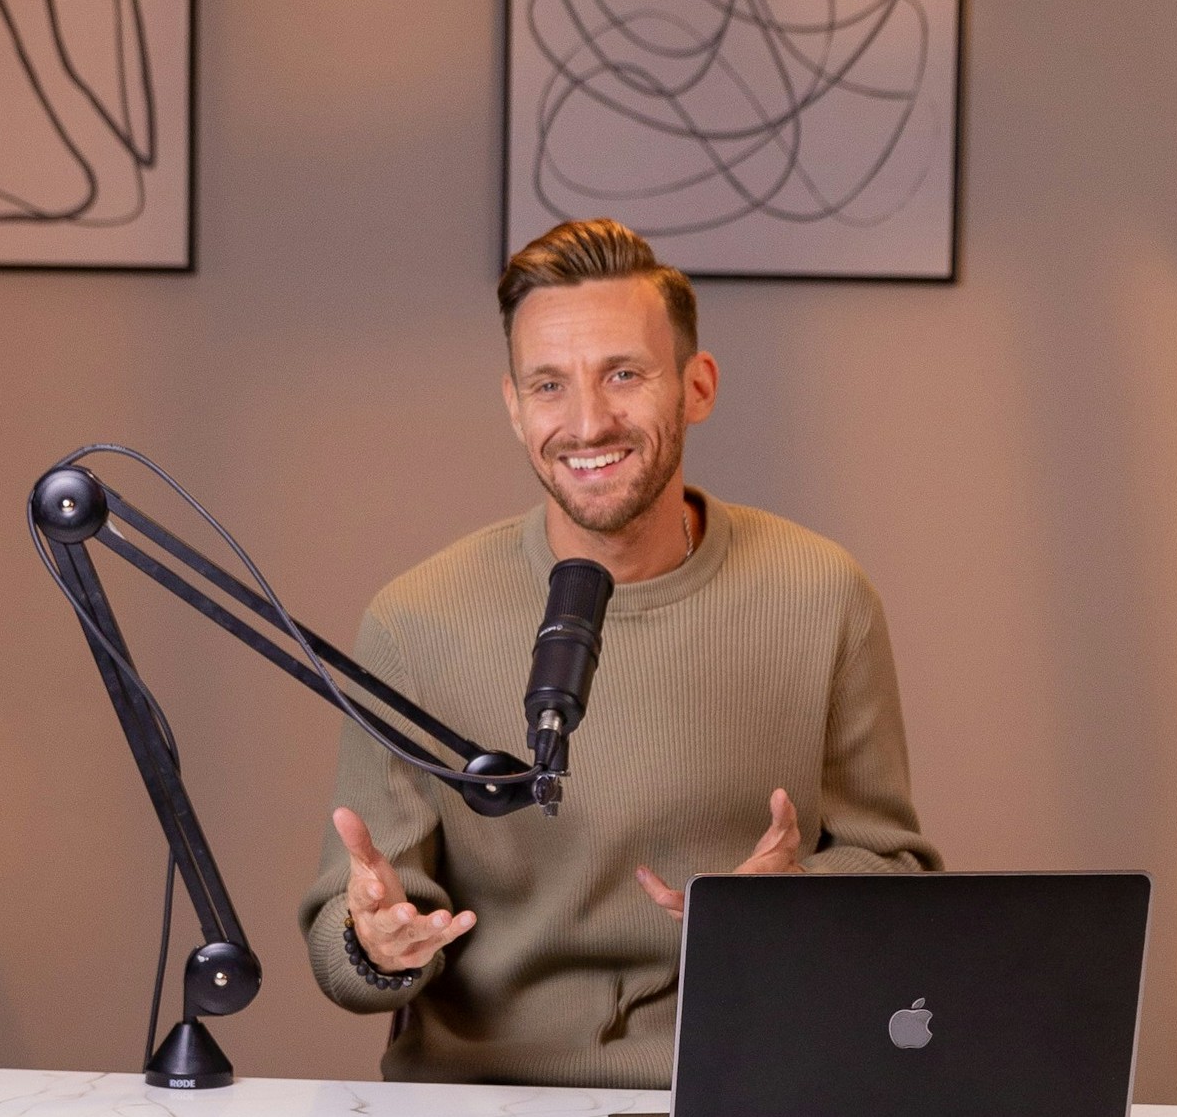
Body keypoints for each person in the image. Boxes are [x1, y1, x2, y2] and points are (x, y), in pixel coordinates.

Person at [297, 218, 938, 1087]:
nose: (588, 422)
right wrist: (375, 944)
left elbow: (896, 871)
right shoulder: (417, 620)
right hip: (488, 1097)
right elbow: (347, 943)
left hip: (739, 1082)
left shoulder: (822, 594)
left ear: (697, 386)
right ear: (514, 407)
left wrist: (797, 899)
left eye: (624, 374)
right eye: (549, 385)